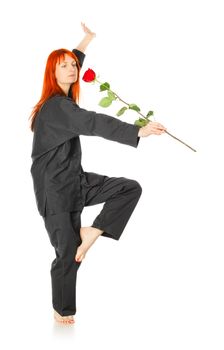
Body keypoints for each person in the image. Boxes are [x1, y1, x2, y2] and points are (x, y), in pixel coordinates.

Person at [29, 23, 167, 325]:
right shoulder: (54, 108)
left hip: (75, 181)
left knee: (128, 188)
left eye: (72, 65)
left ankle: (91, 232)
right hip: (54, 191)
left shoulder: (64, 102)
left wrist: (86, 41)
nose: (71, 68)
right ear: (52, 74)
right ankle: (62, 310)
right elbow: (92, 122)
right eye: (63, 66)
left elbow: (74, 61)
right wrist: (137, 131)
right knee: (68, 255)